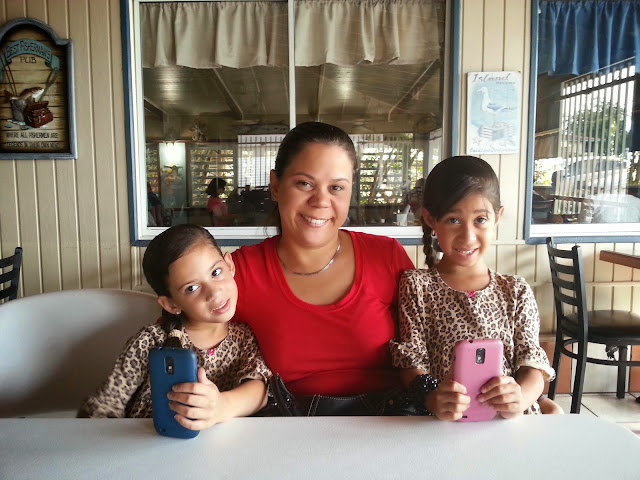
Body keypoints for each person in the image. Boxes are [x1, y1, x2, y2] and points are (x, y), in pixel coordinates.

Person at [231, 121, 415, 415]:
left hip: (393, 425)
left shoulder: (387, 256)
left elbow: (430, 342)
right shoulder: (241, 272)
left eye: (336, 188)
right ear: (276, 186)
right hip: (292, 430)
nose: (320, 201)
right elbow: (189, 341)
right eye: (305, 183)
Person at [390, 155, 562, 419]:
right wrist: (432, 397)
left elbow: (533, 364)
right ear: (430, 219)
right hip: (444, 425)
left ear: (497, 217)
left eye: (480, 219)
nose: (467, 236)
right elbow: (411, 362)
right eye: (453, 220)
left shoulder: (515, 291)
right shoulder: (417, 286)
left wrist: (520, 398)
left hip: (508, 425)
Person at [78, 224, 270, 429]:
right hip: (144, 440)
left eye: (216, 272)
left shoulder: (244, 339)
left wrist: (221, 406)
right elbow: (106, 404)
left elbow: (260, 388)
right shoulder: (151, 341)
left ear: (230, 265)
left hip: (217, 446)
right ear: (171, 304)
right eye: (192, 288)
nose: (214, 292)